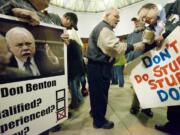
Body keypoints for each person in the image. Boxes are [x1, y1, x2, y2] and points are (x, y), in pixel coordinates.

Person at [87, 7, 128, 129]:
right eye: (116, 16)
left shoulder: (102, 27)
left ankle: (95, 113)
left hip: (95, 66)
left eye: (119, 17)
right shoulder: (104, 28)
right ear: (106, 15)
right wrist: (132, 46)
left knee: (96, 93)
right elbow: (115, 48)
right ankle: (99, 121)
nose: (118, 19)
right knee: (100, 94)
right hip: (99, 66)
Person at [153, 0, 180, 134]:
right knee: (173, 88)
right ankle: (174, 123)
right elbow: (160, 21)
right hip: (172, 56)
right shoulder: (170, 7)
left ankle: (174, 125)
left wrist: (163, 34)